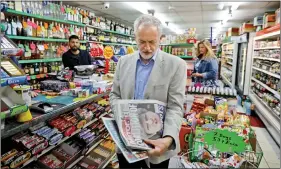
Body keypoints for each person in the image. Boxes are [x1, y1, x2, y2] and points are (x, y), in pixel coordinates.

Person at [110, 14, 187, 168]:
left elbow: (175, 106)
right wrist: (122, 112)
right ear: (135, 37)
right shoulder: (123, 62)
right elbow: (114, 94)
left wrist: (168, 139)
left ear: (160, 38)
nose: (147, 48)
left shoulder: (176, 65)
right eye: (142, 42)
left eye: (152, 42)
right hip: (127, 144)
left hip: (157, 144)